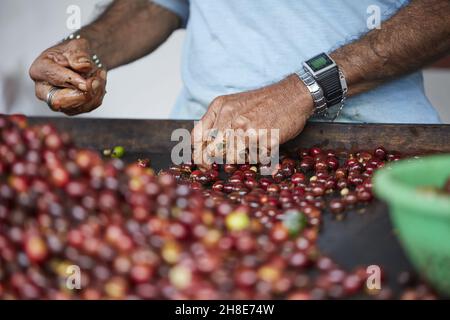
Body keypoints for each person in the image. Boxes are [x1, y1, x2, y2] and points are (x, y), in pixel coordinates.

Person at [29, 0, 450, 163]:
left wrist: (303, 89)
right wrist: (87, 48)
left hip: (376, 143)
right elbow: (153, 5)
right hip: (205, 145)